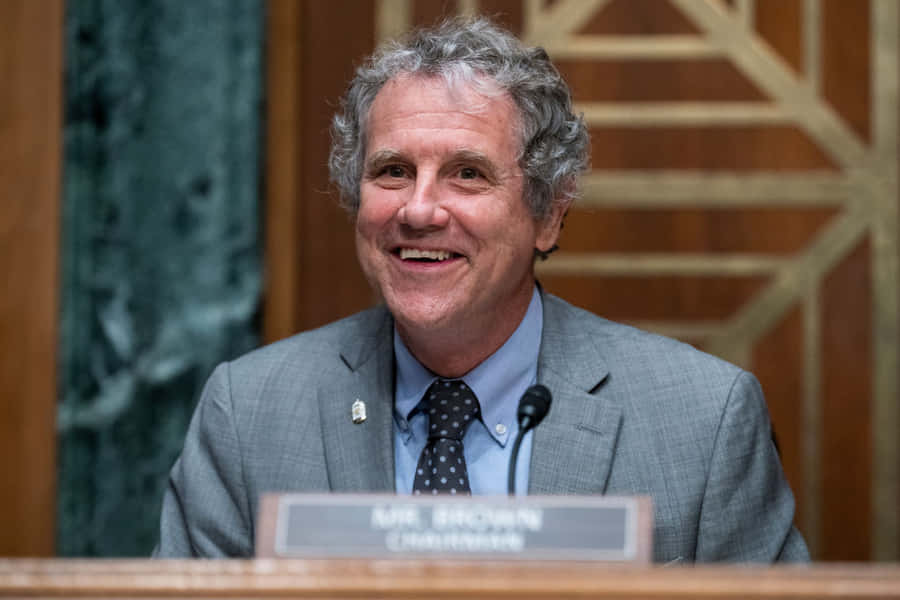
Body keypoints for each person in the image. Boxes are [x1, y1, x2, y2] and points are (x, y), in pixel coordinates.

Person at [155, 17, 808, 562]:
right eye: (392, 171)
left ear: (548, 215)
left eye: (467, 174)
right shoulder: (249, 413)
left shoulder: (703, 422)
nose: (419, 210)